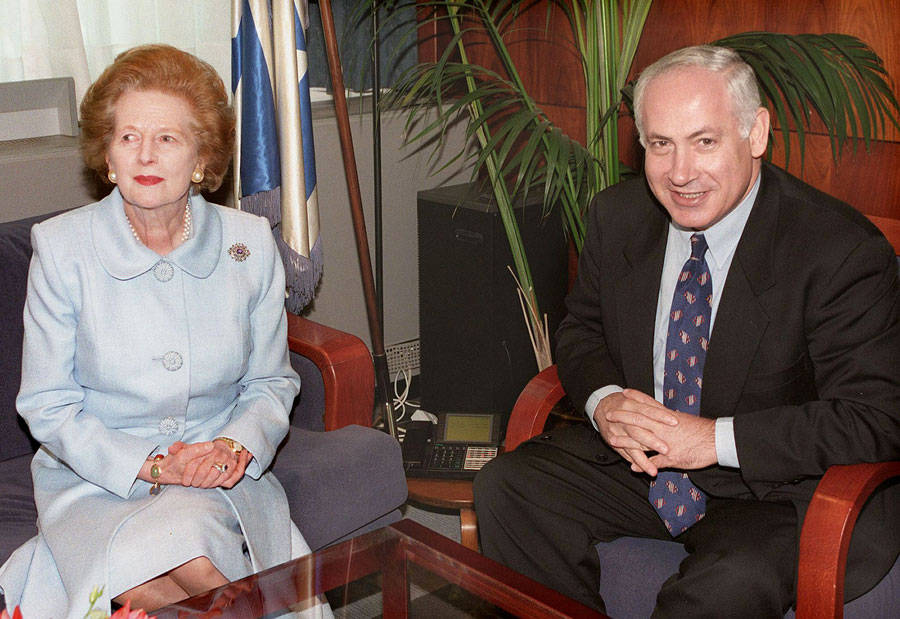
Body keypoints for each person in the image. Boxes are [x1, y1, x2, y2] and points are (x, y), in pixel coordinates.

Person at [474, 45, 900, 617]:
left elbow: (875, 415)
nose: (680, 173)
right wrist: (605, 403)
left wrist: (711, 440)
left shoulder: (838, 251)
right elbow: (581, 331)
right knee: (508, 491)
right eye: (660, 144)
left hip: (775, 489)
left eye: (705, 141)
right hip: (642, 466)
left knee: (726, 584)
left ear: (756, 135)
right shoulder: (618, 217)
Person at [0, 45, 325, 618]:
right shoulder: (63, 249)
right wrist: (154, 464)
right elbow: (47, 405)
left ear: (201, 157)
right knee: (197, 552)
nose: (145, 154)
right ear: (108, 154)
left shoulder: (247, 246)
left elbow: (273, 383)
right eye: (128, 137)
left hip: (221, 471)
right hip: (101, 478)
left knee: (187, 548)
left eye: (168, 139)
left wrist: (233, 446)